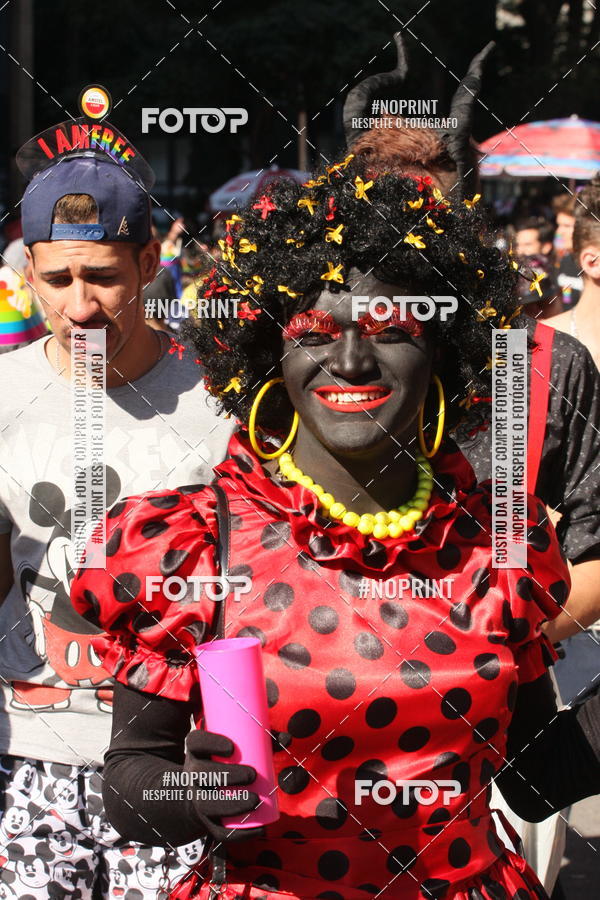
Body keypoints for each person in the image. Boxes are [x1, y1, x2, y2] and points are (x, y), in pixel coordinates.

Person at [72, 155, 600, 900]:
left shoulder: (496, 548)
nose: (351, 360)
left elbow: (537, 780)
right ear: (270, 354)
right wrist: (188, 796)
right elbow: (127, 784)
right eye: (315, 332)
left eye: (390, 330)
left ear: (440, 357)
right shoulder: (194, 545)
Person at [0, 108, 235, 897]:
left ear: (148, 261)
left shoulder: (220, 400)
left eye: (102, 277)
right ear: (27, 269)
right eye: (57, 279)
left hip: (171, 762)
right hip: (27, 759)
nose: (79, 306)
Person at [553, 193, 583, 309]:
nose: (559, 232)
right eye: (559, 225)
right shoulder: (564, 260)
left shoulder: (594, 266)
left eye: (567, 226)